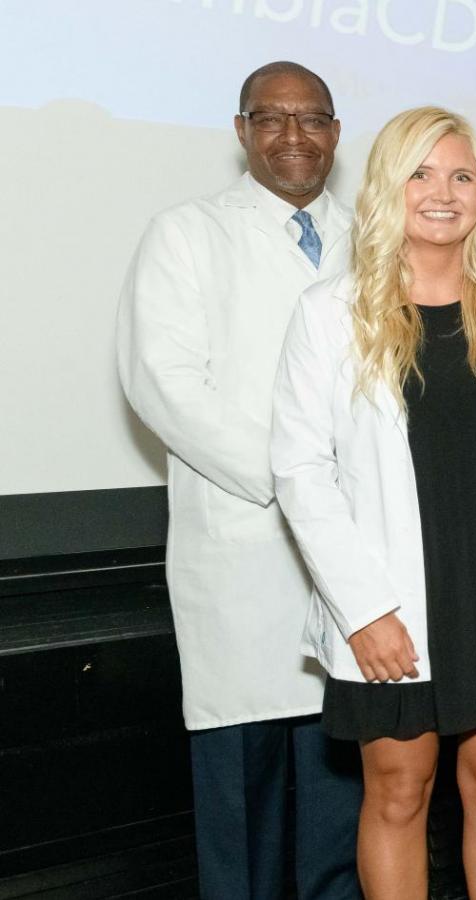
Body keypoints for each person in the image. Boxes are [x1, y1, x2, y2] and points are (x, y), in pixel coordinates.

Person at [271, 106, 476, 900]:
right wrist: (364, 608)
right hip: (392, 605)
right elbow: (300, 470)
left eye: (461, 175)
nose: (442, 192)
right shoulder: (327, 314)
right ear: (387, 188)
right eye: (420, 173)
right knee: (400, 795)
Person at [114, 60, 361, 900]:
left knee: (345, 790)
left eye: (312, 119)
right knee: (244, 798)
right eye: (271, 117)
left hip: (358, 557)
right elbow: (164, 383)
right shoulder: (186, 234)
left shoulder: (379, 240)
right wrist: (295, 479)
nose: (293, 135)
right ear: (241, 130)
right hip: (246, 543)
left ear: (336, 131)